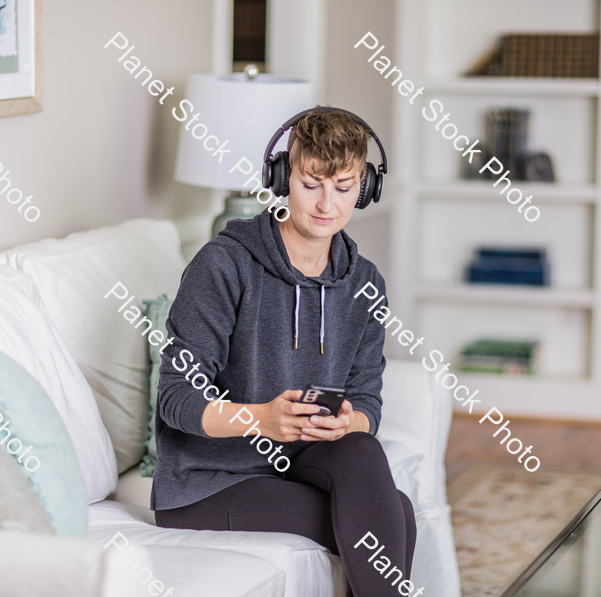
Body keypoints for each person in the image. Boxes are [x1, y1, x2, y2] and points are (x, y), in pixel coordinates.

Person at [152, 108, 416, 597]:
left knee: (362, 449)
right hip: (210, 480)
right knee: (393, 515)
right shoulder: (224, 264)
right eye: (311, 183)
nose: (326, 205)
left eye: (344, 187)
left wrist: (347, 423)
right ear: (281, 178)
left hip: (301, 460)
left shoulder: (365, 283)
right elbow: (174, 398)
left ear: (365, 187)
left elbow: (368, 402)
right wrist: (260, 420)